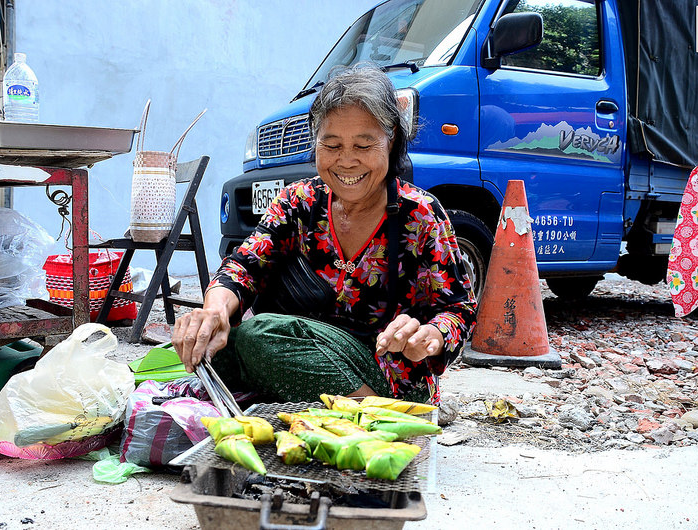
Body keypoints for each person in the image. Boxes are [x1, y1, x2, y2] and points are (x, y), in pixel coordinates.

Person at [172, 64, 477, 404]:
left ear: (390, 141)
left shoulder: (420, 214)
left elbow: (459, 308)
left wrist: (431, 335)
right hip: (303, 356)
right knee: (218, 346)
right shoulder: (299, 201)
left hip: (387, 377)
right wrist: (214, 313)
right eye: (332, 145)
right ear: (315, 142)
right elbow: (242, 267)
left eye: (363, 146)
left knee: (259, 336)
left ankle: (378, 414)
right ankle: (323, 406)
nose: (347, 161)